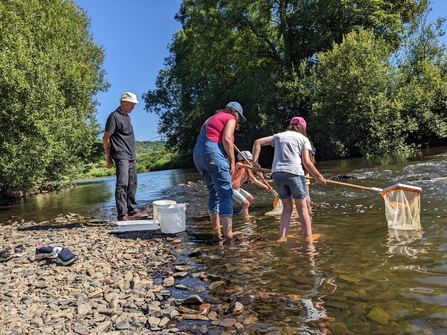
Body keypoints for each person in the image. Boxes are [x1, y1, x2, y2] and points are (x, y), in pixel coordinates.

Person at [251, 116, 325, 242]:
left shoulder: (279, 136)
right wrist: (318, 176)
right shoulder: (303, 139)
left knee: (287, 208)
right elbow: (306, 162)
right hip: (294, 173)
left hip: (277, 174)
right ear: (303, 128)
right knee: (303, 209)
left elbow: (257, 142)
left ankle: (282, 237)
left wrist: (254, 163)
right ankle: (308, 237)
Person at [193, 101, 246, 241]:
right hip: (212, 154)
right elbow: (227, 139)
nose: (239, 121)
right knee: (225, 193)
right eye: (240, 117)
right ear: (236, 113)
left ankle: (217, 234)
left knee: (214, 194)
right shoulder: (231, 118)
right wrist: (233, 161)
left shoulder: (211, 118)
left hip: (198, 156)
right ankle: (228, 236)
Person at [103, 92, 147, 221]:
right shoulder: (114, 117)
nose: (134, 106)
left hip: (131, 155)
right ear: (124, 102)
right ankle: (122, 214)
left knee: (132, 183)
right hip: (120, 154)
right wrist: (108, 157)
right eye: (132, 104)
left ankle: (132, 211)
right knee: (122, 183)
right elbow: (106, 137)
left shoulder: (127, 118)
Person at [232, 150, 273, 216]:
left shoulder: (247, 170)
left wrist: (266, 187)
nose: (250, 161)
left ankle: (242, 213)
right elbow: (248, 166)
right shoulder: (238, 164)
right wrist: (257, 169)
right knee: (245, 203)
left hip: (237, 188)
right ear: (244, 159)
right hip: (231, 188)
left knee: (250, 198)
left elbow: (255, 181)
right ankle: (246, 217)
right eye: (249, 159)